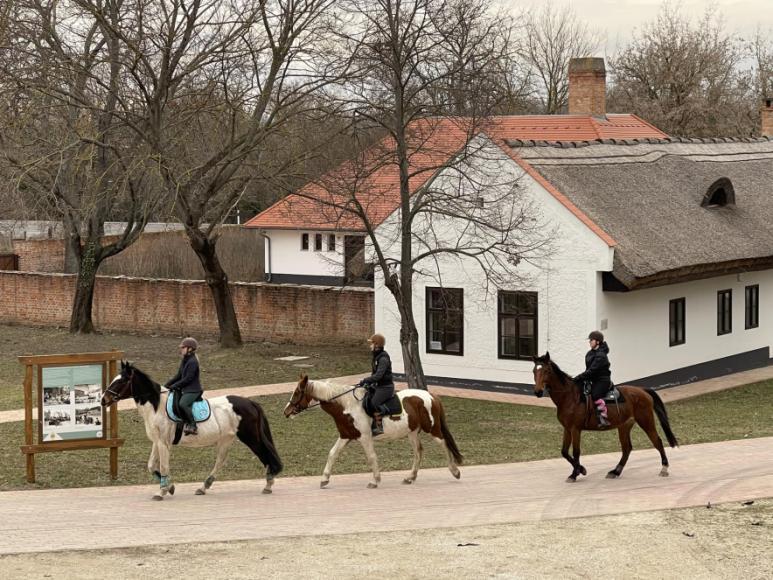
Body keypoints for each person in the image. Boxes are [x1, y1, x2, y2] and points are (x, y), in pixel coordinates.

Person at [573, 330, 612, 427]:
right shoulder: (590, 353)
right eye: (589, 340)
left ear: (598, 342)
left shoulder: (601, 355)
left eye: (591, 340)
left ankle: (603, 417)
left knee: (595, 395)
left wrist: (578, 378)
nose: (589, 342)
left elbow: (592, 371)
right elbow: (588, 370)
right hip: (592, 379)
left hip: (602, 381)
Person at [358, 333, 395, 436]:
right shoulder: (376, 357)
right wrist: (369, 384)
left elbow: (378, 376)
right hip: (378, 386)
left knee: (373, 403)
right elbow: (374, 374)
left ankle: (379, 427)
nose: (370, 346)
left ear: (377, 345)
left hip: (386, 388)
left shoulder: (383, 358)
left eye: (371, 343)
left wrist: (366, 380)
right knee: (365, 399)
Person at [165, 337, 203, 435]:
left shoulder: (193, 362)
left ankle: (193, 425)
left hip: (193, 390)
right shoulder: (185, 360)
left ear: (190, 349)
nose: (181, 349)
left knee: (183, 404)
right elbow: (179, 376)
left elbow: (188, 379)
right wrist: (167, 385)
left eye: (183, 347)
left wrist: (175, 386)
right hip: (185, 389)